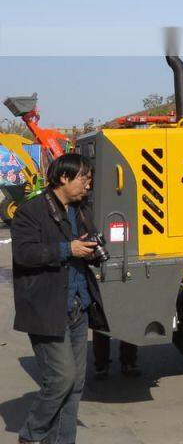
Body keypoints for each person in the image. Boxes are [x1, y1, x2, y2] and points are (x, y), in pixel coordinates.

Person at [11, 153, 108, 444]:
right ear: (64, 178)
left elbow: (83, 245)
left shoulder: (80, 209)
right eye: (83, 179)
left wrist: (91, 251)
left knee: (75, 384)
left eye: (89, 180)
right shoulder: (31, 212)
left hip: (78, 306)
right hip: (47, 308)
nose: (87, 185)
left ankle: (63, 440)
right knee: (61, 379)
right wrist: (69, 249)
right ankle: (32, 433)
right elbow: (24, 255)